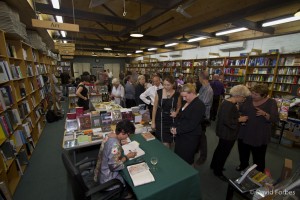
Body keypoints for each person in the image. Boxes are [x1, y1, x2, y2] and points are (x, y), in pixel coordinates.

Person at [210, 85, 250, 181]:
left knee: (220, 149)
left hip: (225, 131)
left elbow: (226, 117)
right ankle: (218, 171)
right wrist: (239, 119)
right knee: (224, 152)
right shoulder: (229, 105)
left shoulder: (228, 102)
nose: (244, 99)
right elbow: (226, 121)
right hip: (227, 133)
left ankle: (214, 165)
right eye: (243, 97)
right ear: (238, 96)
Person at [236, 84, 279, 172]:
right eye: (252, 93)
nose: (253, 96)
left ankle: (258, 172)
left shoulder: (271, 102)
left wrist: (265, 114)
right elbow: (241, 109)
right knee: (243, 152)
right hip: (245, 131)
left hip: (259, 134)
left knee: (259, 156)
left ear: (264, 95)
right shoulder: (248, 99)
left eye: (256, 94)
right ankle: (243, 165)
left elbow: (275, 119)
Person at [93, 120, 137, 196]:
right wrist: (127, 157)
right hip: (108, 179)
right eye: (128, 134)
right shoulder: (115, 146)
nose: (128, 137)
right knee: (129, 179)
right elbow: (114, 167)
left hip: (101, 172)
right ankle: (126, 194)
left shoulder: (110, 135)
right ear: (123, 131)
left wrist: (119, 141)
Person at [171, 84, 205, 165]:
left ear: (192, 93)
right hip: (181, 135)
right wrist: (174, 126)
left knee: (187, 160)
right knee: (179, 157)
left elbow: (192, 124)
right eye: (183, 96)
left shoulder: (199, 105)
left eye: (185, 96)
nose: (184, 98)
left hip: (190, 137)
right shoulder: (187, 102)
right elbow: (180, 116)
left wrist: (177, 130)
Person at [151, 76, 181, 148]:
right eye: (164, 84)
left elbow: (179, 107)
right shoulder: (159, 92)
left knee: (170, 141)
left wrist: (176, 112)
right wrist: (153, 122)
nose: (166, 87)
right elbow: (154, 108)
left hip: (172, 120)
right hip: (161, 119)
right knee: (163, 142)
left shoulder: (177, 94)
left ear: (173, 84)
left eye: (168, 85)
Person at [196, 72, 213, 165]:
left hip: (203, 117)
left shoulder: (208, 90)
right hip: (199, 115)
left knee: (202, 137)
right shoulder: (203, 87)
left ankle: (203, 156)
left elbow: (203, 103)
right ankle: (197, 150)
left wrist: (194, 99)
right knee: (198, 134)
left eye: (199, 77)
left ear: (202, 78)